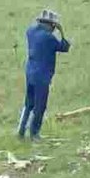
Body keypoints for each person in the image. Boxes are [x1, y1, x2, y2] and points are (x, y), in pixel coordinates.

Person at [19, 9, 70, 140]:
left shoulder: (30, 31)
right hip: (42, 76)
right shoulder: (49, 38)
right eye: (53, 26)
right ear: (50, 24)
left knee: (28, 103)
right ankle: (34, 133)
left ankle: (21, 130)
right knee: (40, 105)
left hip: (30, 72)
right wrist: (61, 31)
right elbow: (65, 47)